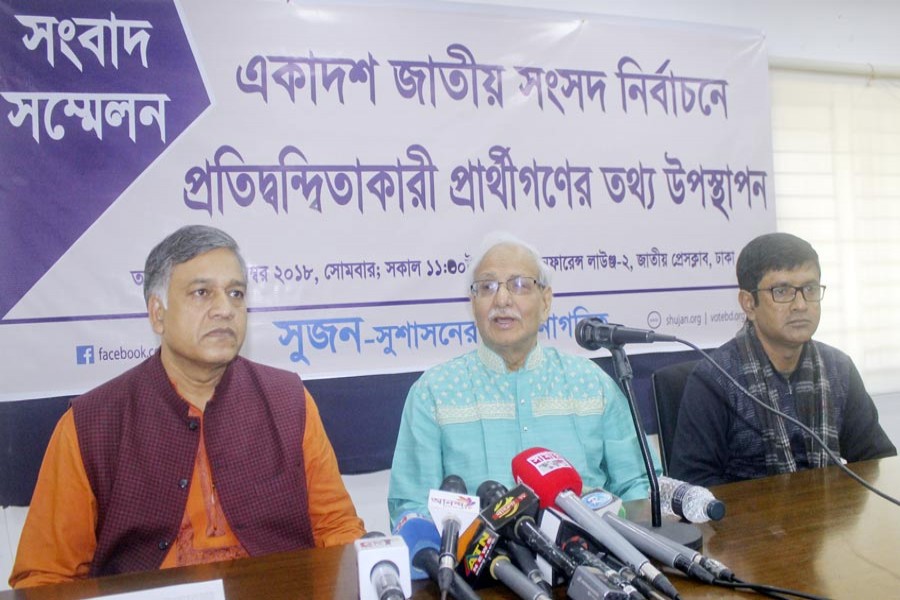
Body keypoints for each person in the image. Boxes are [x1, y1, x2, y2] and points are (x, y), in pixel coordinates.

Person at [10, 225, 365, 588]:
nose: (225, 310)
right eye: (201, 293)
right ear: (157, 314)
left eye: (236, 293)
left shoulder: (289, 402)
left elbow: (336, 530)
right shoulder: (90, 425)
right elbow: (44, 578)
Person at [388, 232, 658, 525]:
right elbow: (411, 509)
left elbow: (641, 485)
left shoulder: (591, 384)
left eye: (519, 285)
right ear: (473, 302)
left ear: (545, 302)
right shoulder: (434, 394)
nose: (502, 299)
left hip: (592, 557)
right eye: (487, 286)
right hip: (477, 565)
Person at [669, 232, 896, 486]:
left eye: (810, 289)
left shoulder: (838, 369)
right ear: (748, 303)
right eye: (782, 291)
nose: (800, 304)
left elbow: (877, 461)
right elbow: (693, 485)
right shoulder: (715, 380)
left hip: (830, 518)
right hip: (747, 523)